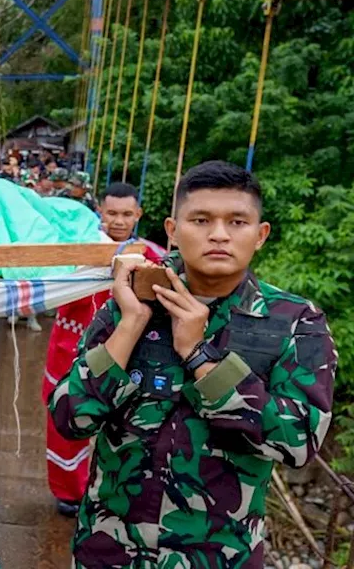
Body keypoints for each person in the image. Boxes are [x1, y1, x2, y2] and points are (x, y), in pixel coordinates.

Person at [48, 161, 336, 567]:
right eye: (201, 219)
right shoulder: (130, 304)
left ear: (260, 235)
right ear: (171, 230)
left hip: (216, 556)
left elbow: (298, 442)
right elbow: (68, 418)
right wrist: (131, 324)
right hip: (109, 550)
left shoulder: (293, 322)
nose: (218, 234)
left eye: (237, 221)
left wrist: (201, 357)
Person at [42, 182, 164, 517]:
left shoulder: (152, 257)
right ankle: (69, 492)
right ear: (100, 212)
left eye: (127, 213)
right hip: (69, 345)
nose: (120, 220)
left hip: (129, 355)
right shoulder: (76, 248)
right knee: (65, 415)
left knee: (127, 423)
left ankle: (119, 489)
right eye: (112, 213)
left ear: (138, 214)